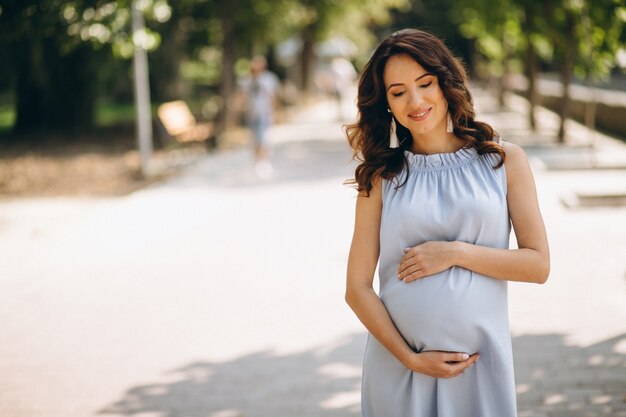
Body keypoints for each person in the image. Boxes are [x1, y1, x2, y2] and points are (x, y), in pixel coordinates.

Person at [344, 29, 550, 416]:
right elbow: (356, 288)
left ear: (445, 83)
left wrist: (454, 253)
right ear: (386, 103)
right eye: (398, 91)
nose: (416, 101)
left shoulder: (504, 161)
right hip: (399, 369)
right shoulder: (380, 177)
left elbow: (538, 265)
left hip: (479, 364)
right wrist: (410, 358)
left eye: (425, 84)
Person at [238, 55, 280, 178]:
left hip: (265, 113)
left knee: (263, 139)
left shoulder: (269, 79)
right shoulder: (246, 80)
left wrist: (277, 112)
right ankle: (257, 161)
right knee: (254, 140)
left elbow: (274, 97)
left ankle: (264, 162)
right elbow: (241, 96)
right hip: (251, 114)